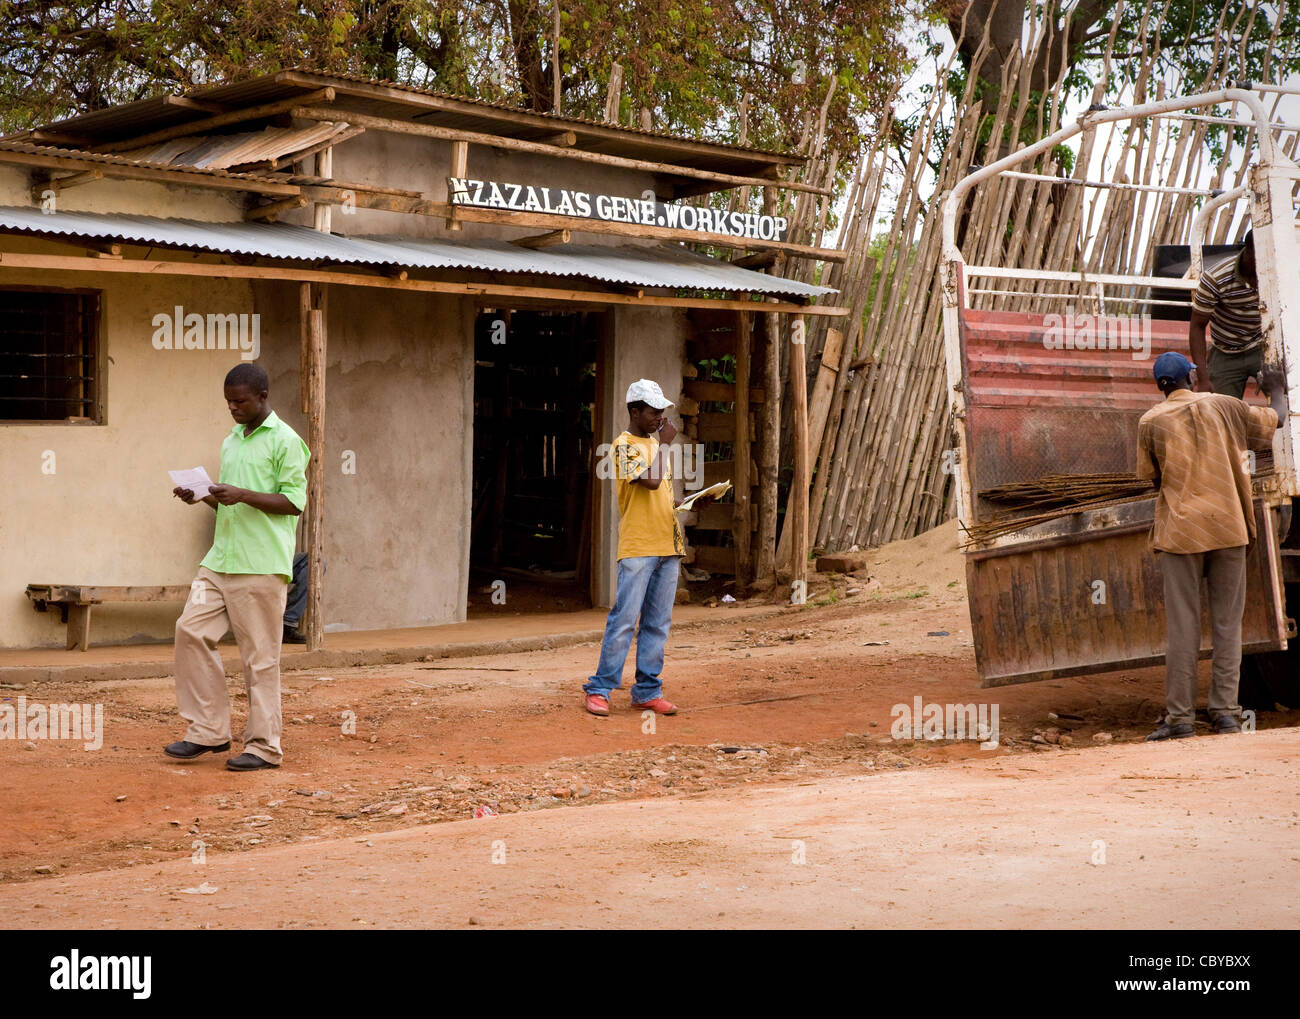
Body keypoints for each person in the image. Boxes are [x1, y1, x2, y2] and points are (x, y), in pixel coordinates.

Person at [166, 362, 310, 770]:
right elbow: (230, 501)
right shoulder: (233, 440)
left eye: (240, 401)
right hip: (220, 560)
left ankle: (264, 747)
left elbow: (294, 502)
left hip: (261, 563)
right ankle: (208, 731)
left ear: (263, 397)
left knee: (259, 657)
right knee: (190, 630)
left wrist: (243, 493)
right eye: (228, 401)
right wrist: (201, 494)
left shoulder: (286, 441)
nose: (232, 408)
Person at [1136, 351, 1283, 741]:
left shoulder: (1150, 421)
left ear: (1160, 386)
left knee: (1183, 628)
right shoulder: (1225, 406)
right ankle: (1226, 715)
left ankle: (1180, 720)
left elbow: (1152, 478)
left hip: (1181, 534)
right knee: (1227, 624)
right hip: (1227, 527)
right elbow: (1276, 420)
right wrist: (1276, 389)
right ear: (1193, 375)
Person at [583, 378, 711, 717]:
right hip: (639, 548)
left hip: (667, 546)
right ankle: (599, 689)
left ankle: (647, 691)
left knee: (657, 623)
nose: (661, 419)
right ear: (635, 411)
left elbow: (659, 495)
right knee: (624, 620)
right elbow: (650, 480)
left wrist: (689, 502)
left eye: (663, 413)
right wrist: (666, 445)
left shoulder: (656, 448)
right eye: (654, 413)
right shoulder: (622, 446)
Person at [1189, 231, 1263, 398]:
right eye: (1261, 254)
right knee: (1221, 411)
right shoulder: (1215, 278)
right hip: (1225, 351)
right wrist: (1202, 379)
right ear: (1249, 250)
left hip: (1262, 347)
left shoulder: (1277, 272)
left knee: (1290, 397)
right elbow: (1197, 326)